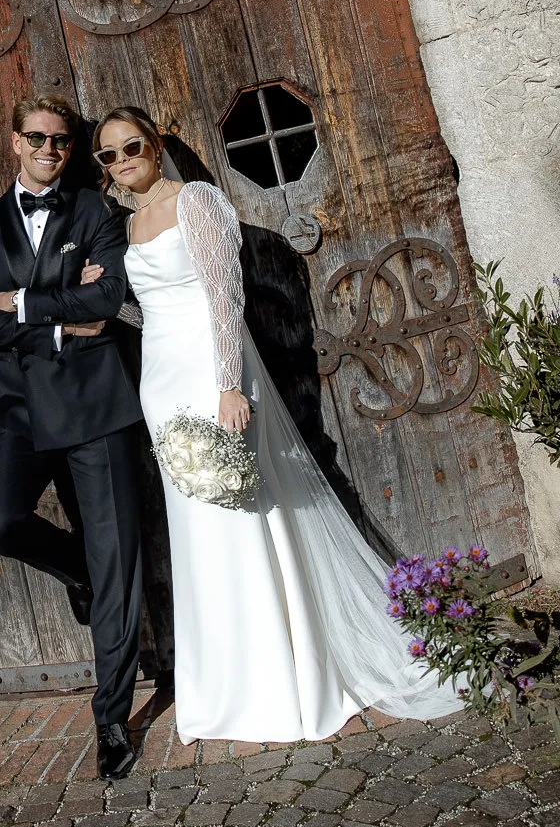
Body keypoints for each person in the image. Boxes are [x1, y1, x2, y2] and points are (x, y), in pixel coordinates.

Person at [86, 105, 463, 745]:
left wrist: (230, 385)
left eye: (133, 147)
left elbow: (222, 296)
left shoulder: (196, 201)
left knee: (246, 513)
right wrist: (102, 302)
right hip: (164, 385)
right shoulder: (124, 226)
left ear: (154, 145)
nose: (124, 162)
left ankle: (281, 677)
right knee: (199, 525)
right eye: (109, 155)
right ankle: (225, 685)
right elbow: (154, 312)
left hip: (215, 376)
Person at [0, 97, 145, 778]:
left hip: (95, 405)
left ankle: (111, 719)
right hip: (20, 408)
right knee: (0, 523)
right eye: (36, 137)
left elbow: (106, 299)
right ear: (14, 142)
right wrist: (62, 309)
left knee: (117, 550)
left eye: (61, 141)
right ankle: (83, 574)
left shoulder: (94, 212)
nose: (48, 149)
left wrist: (25, 303)